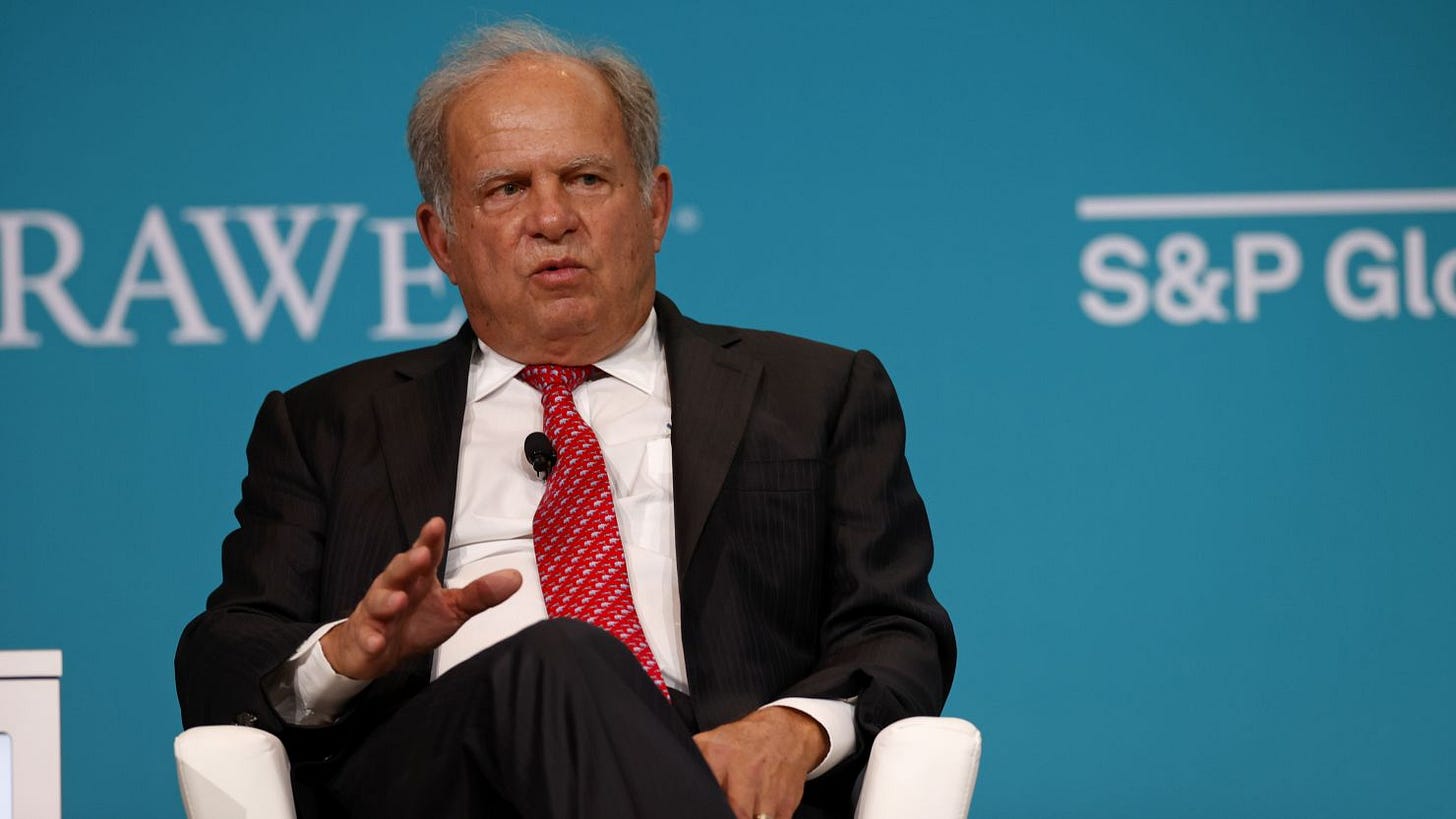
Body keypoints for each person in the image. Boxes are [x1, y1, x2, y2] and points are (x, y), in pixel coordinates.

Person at [175, 20, 954, 819]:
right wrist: (344, 656)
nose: (552, 219)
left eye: (585, 179)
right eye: (507, 188)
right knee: (557, 659)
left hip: (716, 771)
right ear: (441, 240)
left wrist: (789, 728)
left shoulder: (813, 393)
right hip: (442, 776)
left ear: (654, 208)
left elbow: (898, 630)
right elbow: (219, 660)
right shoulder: (326, 424)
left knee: (573, 667)